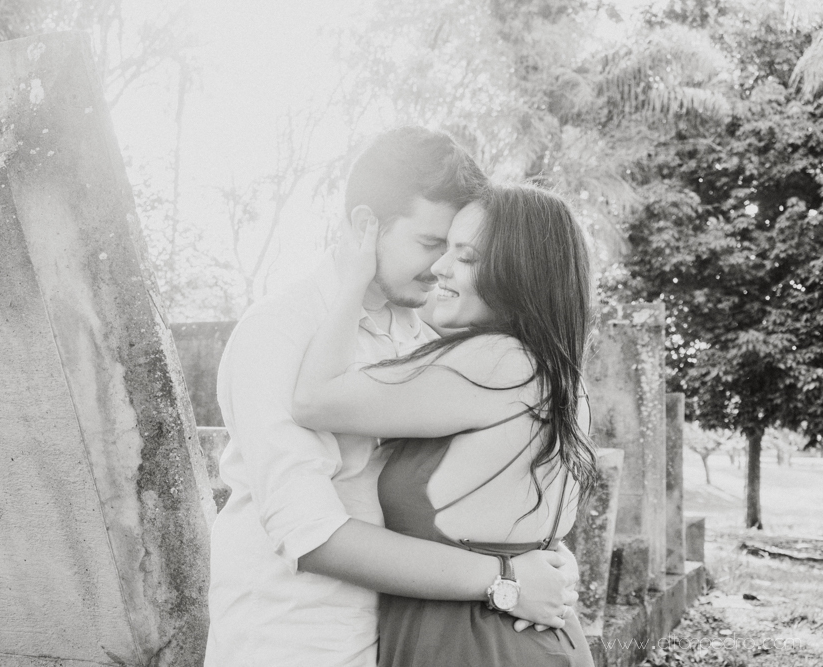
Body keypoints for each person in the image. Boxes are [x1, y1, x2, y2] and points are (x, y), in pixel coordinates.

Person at [204, 128, 580, 667]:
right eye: (430, 243)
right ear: (367, 225)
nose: (442, 266)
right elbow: (307, 532)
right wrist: (506, 578)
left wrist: (543, 559)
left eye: (456, 249)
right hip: (295, 638)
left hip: (405, 635)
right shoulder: (278, 331)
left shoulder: (425, 335)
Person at [292, 184, 597, 666]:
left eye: (466, 256)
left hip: (473, 644)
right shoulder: (560, 375)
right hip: (530, 640)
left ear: (518, 272)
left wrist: (354, 280)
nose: (440, 267)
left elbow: (314, 400)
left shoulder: (495, 362)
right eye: (441, 248)